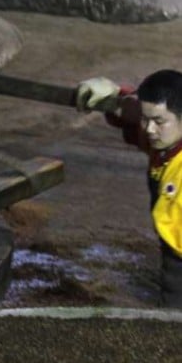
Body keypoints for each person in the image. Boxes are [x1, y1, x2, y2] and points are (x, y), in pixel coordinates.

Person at [76, 69, 182, 307]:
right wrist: (116, 95)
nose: (150, 129)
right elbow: (137, 113)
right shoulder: (163, 137)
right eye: (147, 120)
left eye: (159, 122)